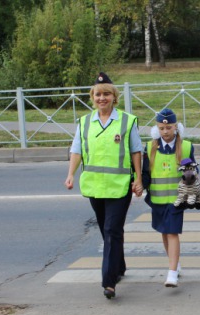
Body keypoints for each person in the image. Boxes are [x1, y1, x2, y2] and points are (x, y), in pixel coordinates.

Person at [64, 72, 144, 299]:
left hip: (119, 186)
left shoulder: (126, 121)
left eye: (106, 94)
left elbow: (137, 151)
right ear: (92, 97)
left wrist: (138, 178)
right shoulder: (85, 122)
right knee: (106, 230)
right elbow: (77, 150)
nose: (102, 98)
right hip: (95, 186)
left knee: (111, 230)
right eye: (98, 94)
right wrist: (70, 174)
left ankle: (109, 282)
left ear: (114, 97)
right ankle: (119, 266)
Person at [141, 108, 197, 288]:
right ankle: (175, 263)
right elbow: (146, 173)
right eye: (162, 128)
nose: (165, 132)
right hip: (157, 199)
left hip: (176, 200)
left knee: (172, 232)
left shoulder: (186, 147)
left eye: (169, 128)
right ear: (157, 129)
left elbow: (192, 171)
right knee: (164, 232)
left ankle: (172, 273)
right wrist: (139, 184)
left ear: (176, 127)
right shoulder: (150, 147)